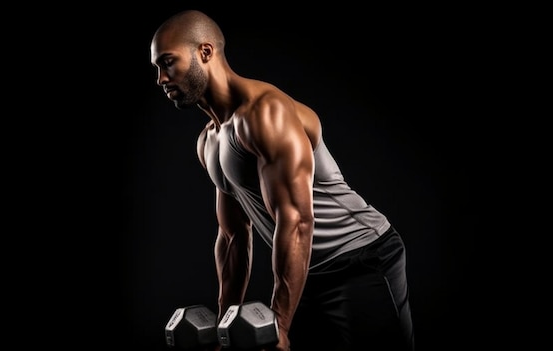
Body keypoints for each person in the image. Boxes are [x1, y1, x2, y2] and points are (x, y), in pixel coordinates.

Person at [150, 10, 415, 351]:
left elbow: (297, 221)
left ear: (205, 52)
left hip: (360, 258)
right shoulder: (209, 141)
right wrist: (223, 324)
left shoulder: (265, 113)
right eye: (157, 68)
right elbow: (233, 236)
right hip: (304, 271)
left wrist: (281, 323)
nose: (160, 78)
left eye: (168, 63)